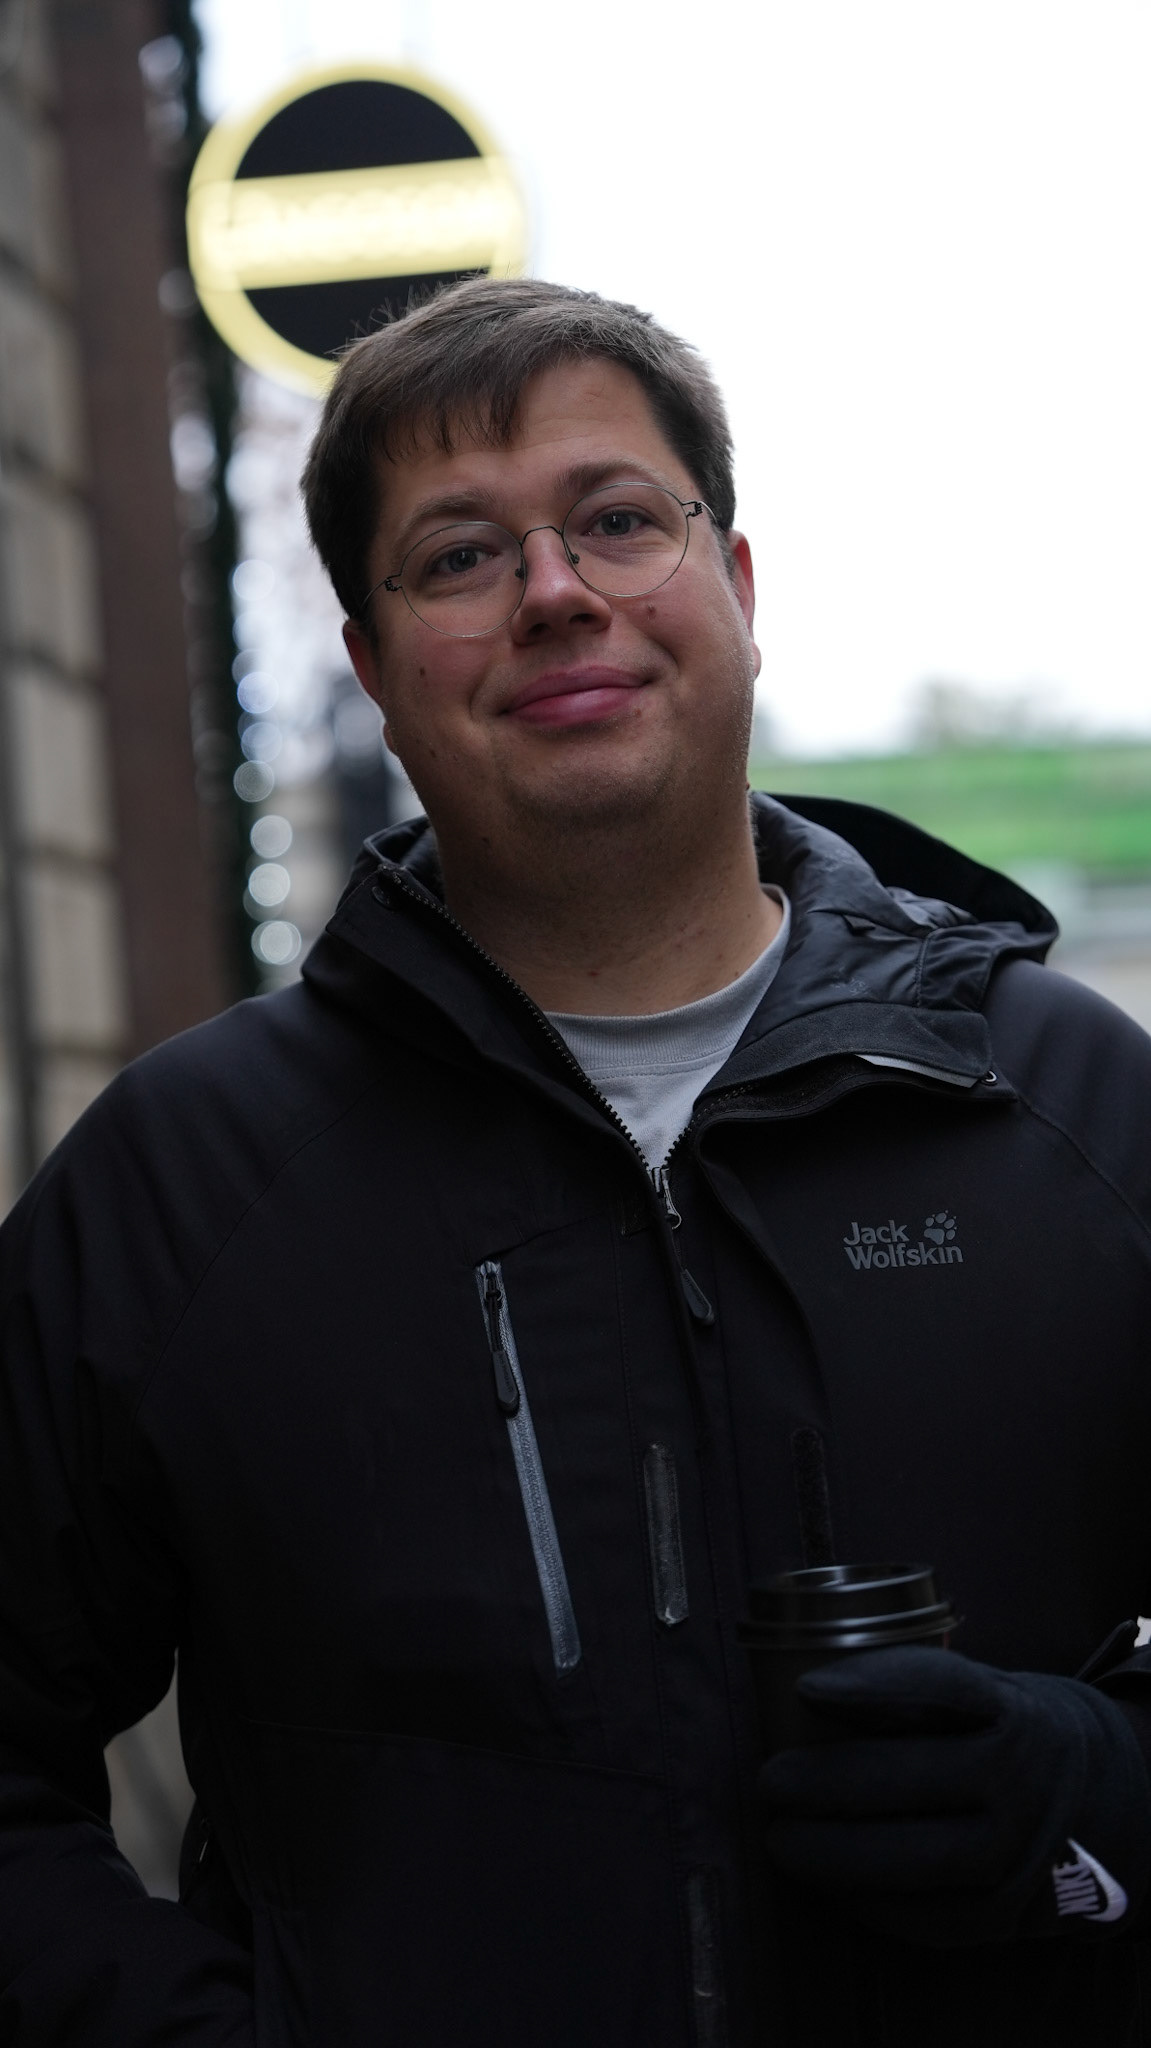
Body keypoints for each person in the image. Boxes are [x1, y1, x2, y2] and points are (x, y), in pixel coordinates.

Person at [0, 276, 1150, 2048]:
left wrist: (1099, 1793)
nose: (555, 593)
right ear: (374, 671)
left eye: (618, 521)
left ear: (738, 588)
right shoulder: (181, 1185)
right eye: (460, 555)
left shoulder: (1072, 1108)